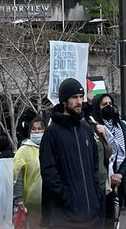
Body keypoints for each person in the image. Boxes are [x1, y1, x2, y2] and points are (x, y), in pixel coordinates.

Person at [40, 77, 104, 229]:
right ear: (64, 101)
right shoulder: (52, 133)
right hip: (65, 218)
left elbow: (95, 166)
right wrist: (67, 198)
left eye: (81, 97)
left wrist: (96, 195)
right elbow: (49, 172)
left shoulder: (86, 130)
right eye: (74, 97)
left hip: (91, 215)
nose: (79, 101)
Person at [91, 92, 126, 219]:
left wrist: (120, 173)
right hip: (102, 183)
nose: (108, 107)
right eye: (104, 105)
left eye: (110, 104)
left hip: (119, 182)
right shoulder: (93, 127)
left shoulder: (121, 126)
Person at [13, 114, 44, 229]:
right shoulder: (23, 151)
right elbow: (18, 176)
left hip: (49, 204)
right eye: (34, 129)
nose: (37, 132)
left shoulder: (50, 148)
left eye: (40, 129)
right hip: (30, 206)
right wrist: (19, 199)